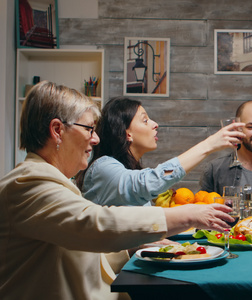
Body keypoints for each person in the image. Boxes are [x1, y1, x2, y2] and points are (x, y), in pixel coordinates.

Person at [0, 81, 234, 299]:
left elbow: (77, 247)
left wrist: (134, 246)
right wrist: (189, 214)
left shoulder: (50, 180)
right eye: (89, 129)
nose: (95, 139)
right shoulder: (28, 183)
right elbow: (93, 224)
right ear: (57, 130)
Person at [77, 97, 245, 206]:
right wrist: (209, 145)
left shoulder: (130, 169)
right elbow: (150, 181)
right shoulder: (102, 167)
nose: (155, 123)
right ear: (127, 133)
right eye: (145, 120)